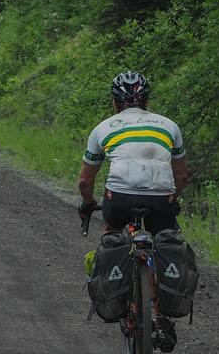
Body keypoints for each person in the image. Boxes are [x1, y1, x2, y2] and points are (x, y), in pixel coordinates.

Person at [76, 70, 187, 235]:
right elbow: (181, 176)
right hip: (161, 196)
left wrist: (88, 202)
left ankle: (111, 250)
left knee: (112, 232)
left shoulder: (102, 128)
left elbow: (85, 181)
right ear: (147, 103)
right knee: (165, 236)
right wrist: (172, 199)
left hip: (119, 196)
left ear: (114, 103)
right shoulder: (169, 125)